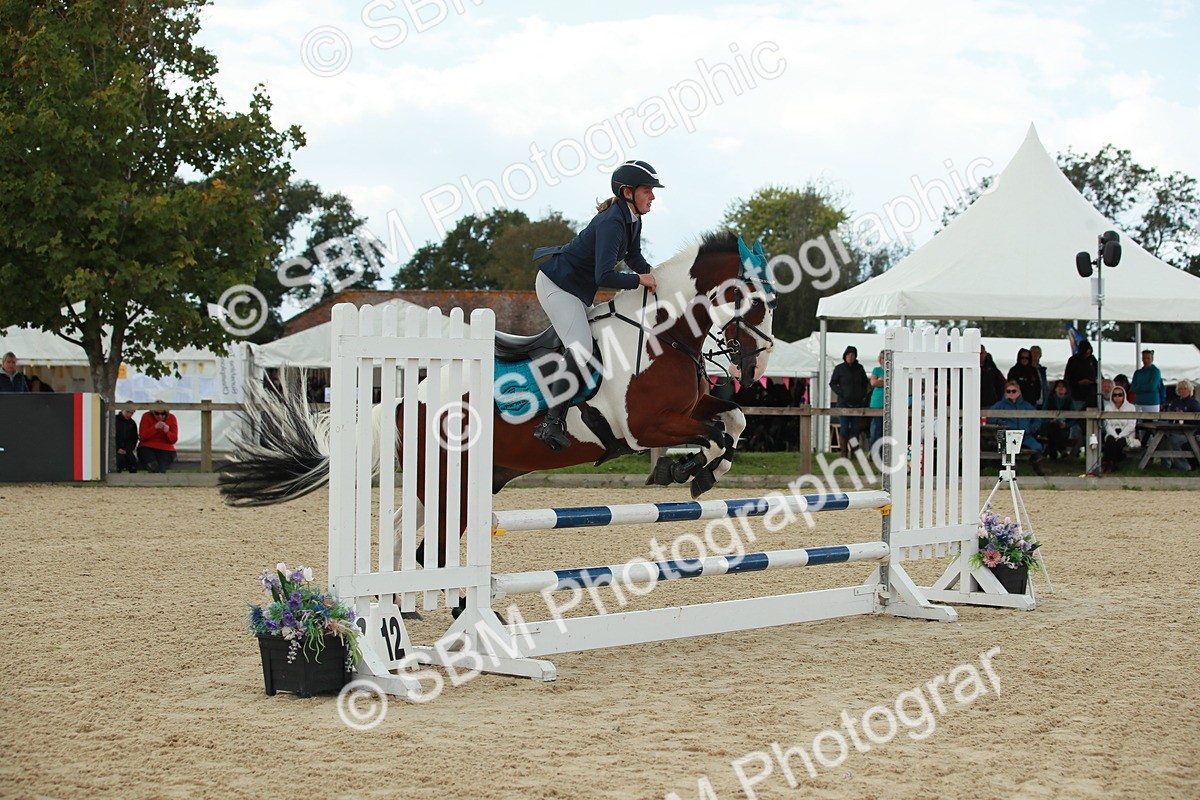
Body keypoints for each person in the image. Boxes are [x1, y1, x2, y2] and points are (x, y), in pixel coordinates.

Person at [531, 159, 661, 450]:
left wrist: (656, 277)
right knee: (581, 348)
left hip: (576, 290)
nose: (653, 196)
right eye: (648, 190)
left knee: (604, 340)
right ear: (628, 192)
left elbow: (635, 258)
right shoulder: (613, 222)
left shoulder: (632, 218)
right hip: (558, 286)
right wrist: (641, 280)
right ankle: (551, 422)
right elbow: (604, 275)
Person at [988, 380, 1045, 474]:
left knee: (1037, 447)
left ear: (1019, 392)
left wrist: (1031, 429)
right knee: (1006, 449)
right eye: (1008, 391)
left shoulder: (1027, 406)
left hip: (1025, 435)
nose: (1011, 393)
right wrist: (1000, 422)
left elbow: (1037, 419)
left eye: (1014, 391)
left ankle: (1038, 469)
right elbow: (989, 418)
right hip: (1007, 435)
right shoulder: (999, 405)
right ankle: (1010, 470)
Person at [830, 345, 869, 452]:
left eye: (852, 355)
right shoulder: (839, 368)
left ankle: (854, 451)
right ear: (845, 356)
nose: (850, 357)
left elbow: (865, 383)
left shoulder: (860, 368)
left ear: (855, 356)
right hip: (843, 402)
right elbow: (832, 383)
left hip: (857, 403)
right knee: (844, 428)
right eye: (848, 355)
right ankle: (844, 452)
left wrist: (862, 394)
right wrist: (841, 393)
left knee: (855, 429)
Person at [1161, 380, 1200, 471]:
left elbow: (1197, 420)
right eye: (1180, 389)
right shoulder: (1175, 402)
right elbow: (1168, 416)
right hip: (1175, 429)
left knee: (1173, 440)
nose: (1182, 390)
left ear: (1189, 390)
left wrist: (1185, 415)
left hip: (1190, 433)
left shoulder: (1194, 403)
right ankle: (1166, 465)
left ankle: (1184, 467)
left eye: (1185, 388)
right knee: (1162, 438)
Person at [1101, 386, 1138, 474]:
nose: (1117, 397)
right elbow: (1107, 424)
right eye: (1115, 395)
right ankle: (1109, 463)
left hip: (1126, 433)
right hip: (1112, 432)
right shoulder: (1108, 407)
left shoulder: (1131, 407)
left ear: (1124, 396)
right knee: (1110, 440)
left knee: (1119, 443)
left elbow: (1131, 425)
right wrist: (1115, 435)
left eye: (1120, 395)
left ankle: (1111, 463)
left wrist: (1120, 435)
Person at [1042, 380, 1083, 459]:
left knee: (1056, 430)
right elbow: (1042, 415)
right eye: (1058, 386)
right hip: (1049, 426)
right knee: (1053, 427)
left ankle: (1053, 452)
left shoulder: (1069, 401)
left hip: (1064, 428)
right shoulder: (1049, 399)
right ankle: (1062, 450)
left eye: (1063, 387)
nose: (1061, 388)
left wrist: (1066, 425)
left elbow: (1075, 418)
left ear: (1066, 389)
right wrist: (1049, 421)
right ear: (1055, 389)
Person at [138, 402, 179, 473]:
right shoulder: (146, 416)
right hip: (147, 446)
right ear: (153, 412)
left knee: (161, 467)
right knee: (152, 465)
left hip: (166, 448)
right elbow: (142, 437)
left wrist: (167, 432)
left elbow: (174, 440)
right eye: (157, 414)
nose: (160, 416)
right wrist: (154, 428)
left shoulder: (172, 418)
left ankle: (159, 480)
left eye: (163, 414)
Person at [1065, 340, 1099, 408]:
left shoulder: (1092, 359)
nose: (1087, 355)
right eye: (1086, 353)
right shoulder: (1073, 360)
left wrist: (1094, 380)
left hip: (1092, 393)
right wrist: (1078, 382)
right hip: (1077, 394)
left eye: (1089, 353)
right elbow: (1067, 378)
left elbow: (1098, 374)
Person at [867, 350, 886, 450]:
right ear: (880, 359)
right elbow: (873, 383)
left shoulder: (895, 370)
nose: (885, 360)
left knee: (886, 431)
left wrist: (882, 381)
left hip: (889, 404)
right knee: (876, 430)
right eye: (883, 358)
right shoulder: (876, 370)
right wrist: (885, 381)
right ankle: (874, 453)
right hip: (877, 403)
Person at [115, 409, 139, 473]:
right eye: (127, 412)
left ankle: (133, 482)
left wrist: (127, 450)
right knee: (118, 462)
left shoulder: (132, 423)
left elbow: (134, 439)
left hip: (127, 450)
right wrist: (117, 448)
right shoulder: (114, 420)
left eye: (132, 413)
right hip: (114, 449)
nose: (129, 415)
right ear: (122, 410)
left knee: (133, 464)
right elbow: (109, 436)